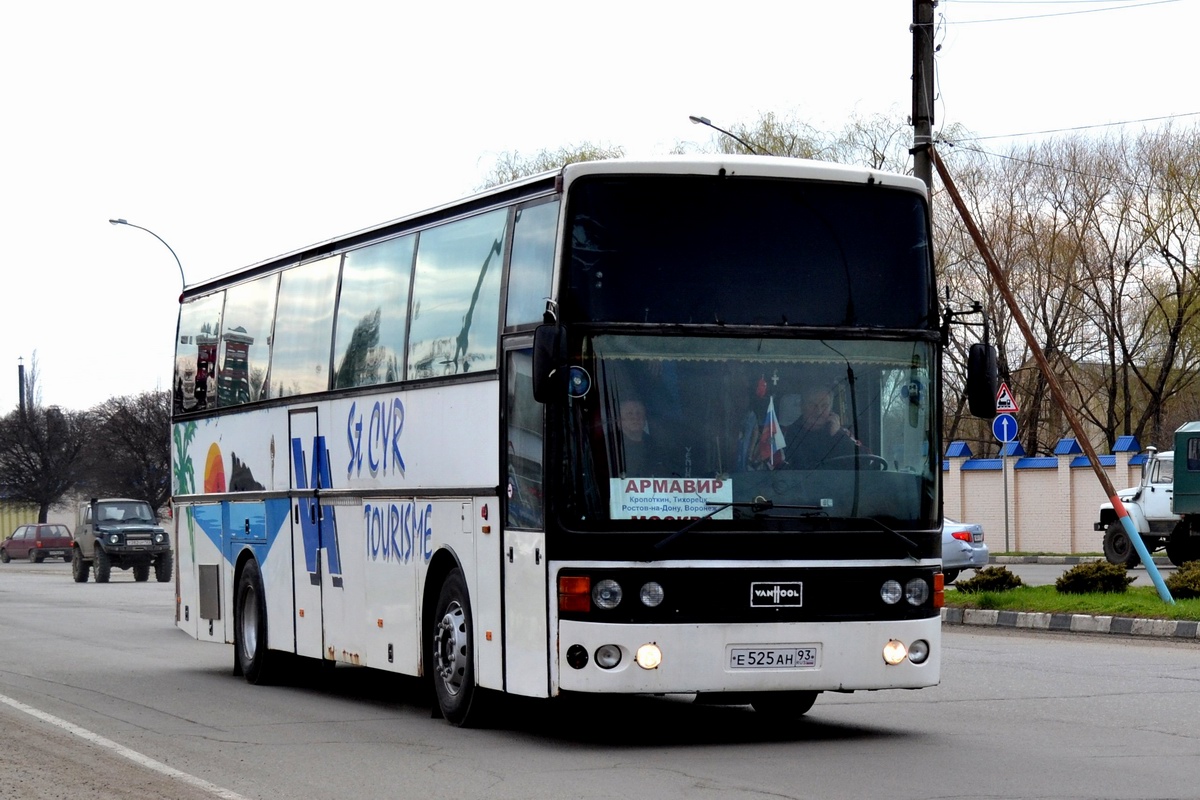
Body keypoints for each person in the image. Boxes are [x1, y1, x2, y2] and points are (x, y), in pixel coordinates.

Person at [783, 386, 857, 469]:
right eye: (812, 405)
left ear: (831, 409)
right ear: (802, 407)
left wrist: (838, 435)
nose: (818, 411)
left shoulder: (842, 434)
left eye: (824, 406)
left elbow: (865, 461)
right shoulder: (785, 435)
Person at [615, 398, 667, 477]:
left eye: (639, 413)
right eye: (629, 414)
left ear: (645, 419)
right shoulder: (609, 446)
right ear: (619, 421)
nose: (635, 418)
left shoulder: (656, 445)